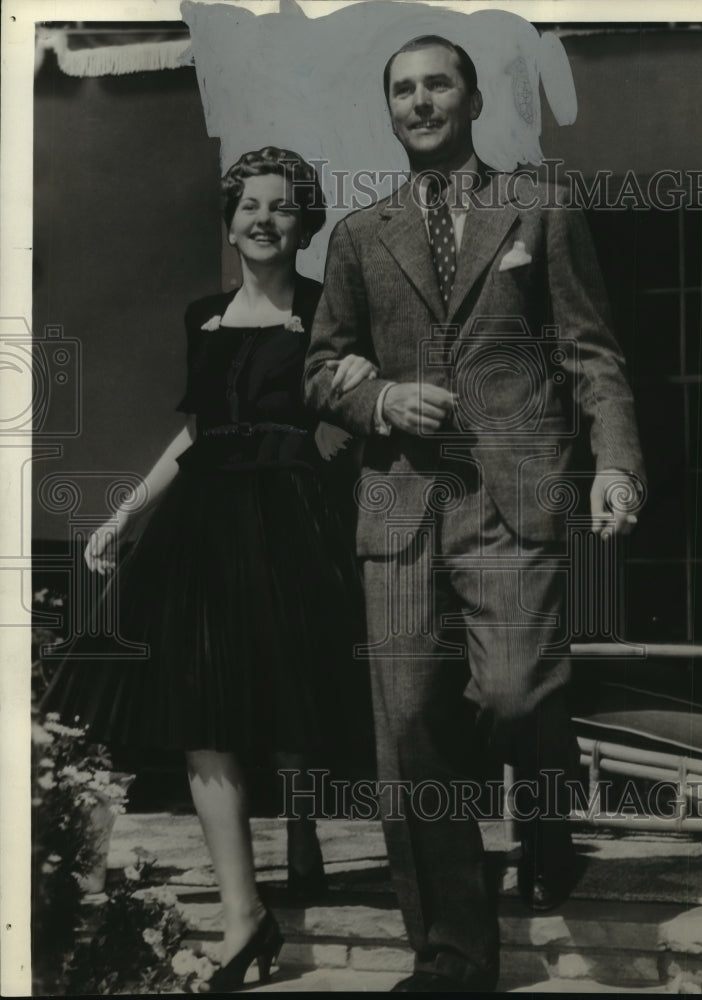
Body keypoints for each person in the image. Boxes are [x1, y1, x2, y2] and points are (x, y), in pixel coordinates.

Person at [304, 36, 645, 993]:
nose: (420, 103)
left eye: (436, 85)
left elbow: (591, 352)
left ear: (472, 100)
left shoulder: (536, 204)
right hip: (402, 503)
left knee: (515, 694)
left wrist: (615, 463)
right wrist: (377, 401)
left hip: (514, 496)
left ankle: (544, 814)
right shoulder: (361, 234)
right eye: (402, 90)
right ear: (391, 109)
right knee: (412, 730)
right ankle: (453, 951)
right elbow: (322, 366)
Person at [41, 146, 376, 992]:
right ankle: (243, 915)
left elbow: (357, 411)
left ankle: (301, 836)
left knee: (291, 690)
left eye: (283, 206)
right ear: (230, 223)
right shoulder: (203, 318)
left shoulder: (328, 311)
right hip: (202, 524)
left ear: (305, 223)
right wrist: (125, 511)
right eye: (249, 206)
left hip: (293, 519)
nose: (263, 219)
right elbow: (196, 433)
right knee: (204, 710)